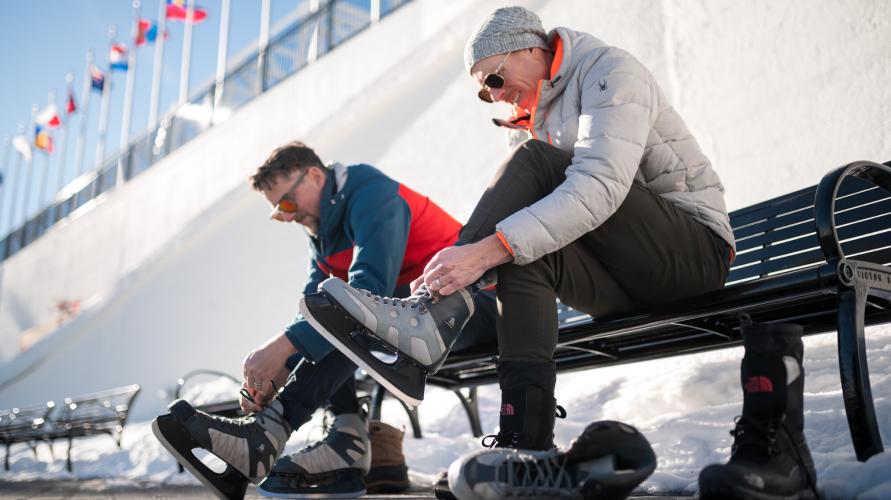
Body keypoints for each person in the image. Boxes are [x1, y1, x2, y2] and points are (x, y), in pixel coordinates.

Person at [308, 5, 793, 498]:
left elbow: (601, 184)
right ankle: (524, 443)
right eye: (484, 90)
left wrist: (482, 253)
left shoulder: (609, 70)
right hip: (621, 276)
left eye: (494, 77)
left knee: (526, 188)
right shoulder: (531, 118)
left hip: (690, 256)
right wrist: (493, 255)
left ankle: (429, 314)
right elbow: (533, 232)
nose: (494, 95)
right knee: (521, 252)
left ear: (529, 47)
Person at [153, 141, 497, 500]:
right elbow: (313, 309)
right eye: (278, 213)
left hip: (477, 304)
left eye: (287, 203)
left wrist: (284, 346)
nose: (287, 217)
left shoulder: (372, 192)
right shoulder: (321, 231)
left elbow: (368, 293)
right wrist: (281, 366)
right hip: (418, 319)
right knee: (331, 315)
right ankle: (345, 442)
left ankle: (268, 435)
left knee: (356, 314)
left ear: (315, 176)